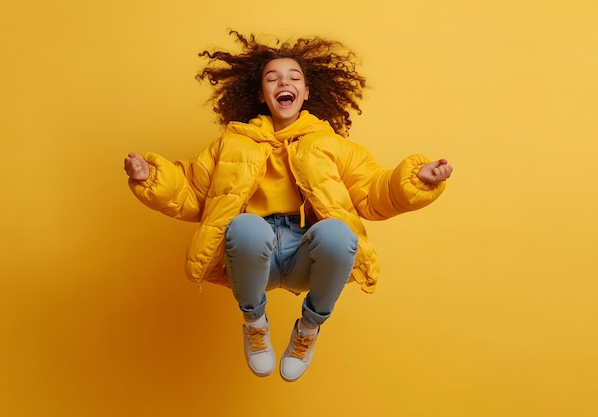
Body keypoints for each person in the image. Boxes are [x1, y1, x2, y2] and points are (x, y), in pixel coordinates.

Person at [123, 30, 453, 382]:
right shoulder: (233, 143)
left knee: (339, 234)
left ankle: (308, 330)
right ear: (262, 96)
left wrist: (419, 179)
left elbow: (373, 191)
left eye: (294, 77)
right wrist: (149, 177)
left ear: (306, 93)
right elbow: (190, 190)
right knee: (246, 227)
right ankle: (255, 323)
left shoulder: (330, 144)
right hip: (251, 258)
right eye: (273, 77)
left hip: (303, 255)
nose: (285, 82)